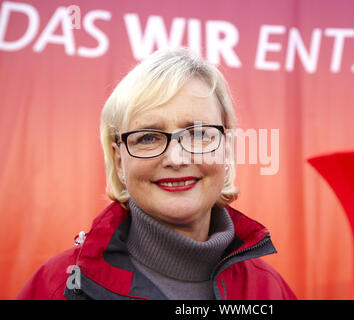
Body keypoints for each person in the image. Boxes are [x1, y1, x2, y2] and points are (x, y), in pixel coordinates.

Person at [16, 48, 297, 300]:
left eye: (198, 133)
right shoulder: (58, 288)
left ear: (227, 148)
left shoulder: (270, 290)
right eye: (148, 137)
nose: (176, 158)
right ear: (119, 161)